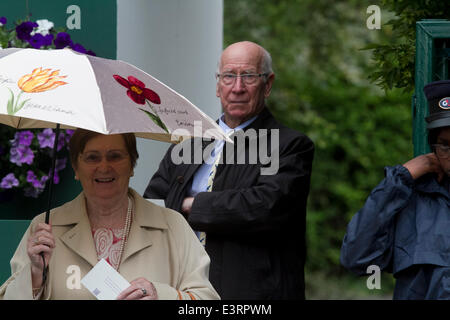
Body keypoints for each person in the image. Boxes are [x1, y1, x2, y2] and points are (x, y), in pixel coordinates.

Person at [144, 41, 315, 299]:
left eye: (248, 76)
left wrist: (189, 204)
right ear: (217, 85)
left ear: (267, 84)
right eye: (228, 76)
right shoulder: (190, 141)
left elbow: (263, 207)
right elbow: (153, 202)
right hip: (183, 289)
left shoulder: (289, 146)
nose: (237, 88)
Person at [0, 129, 220, 300]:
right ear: (76, 168)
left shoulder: (172, 225)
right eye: (92, 158)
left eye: (115, 156)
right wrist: (35, 274)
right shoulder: (46, 226)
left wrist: (161, 295)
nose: (104, 167)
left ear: (132, 164)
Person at [340, 80, 450, 299]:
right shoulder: (411, 198)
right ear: (433, 147)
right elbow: (357, 258)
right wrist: (402, 177)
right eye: (446, 145)